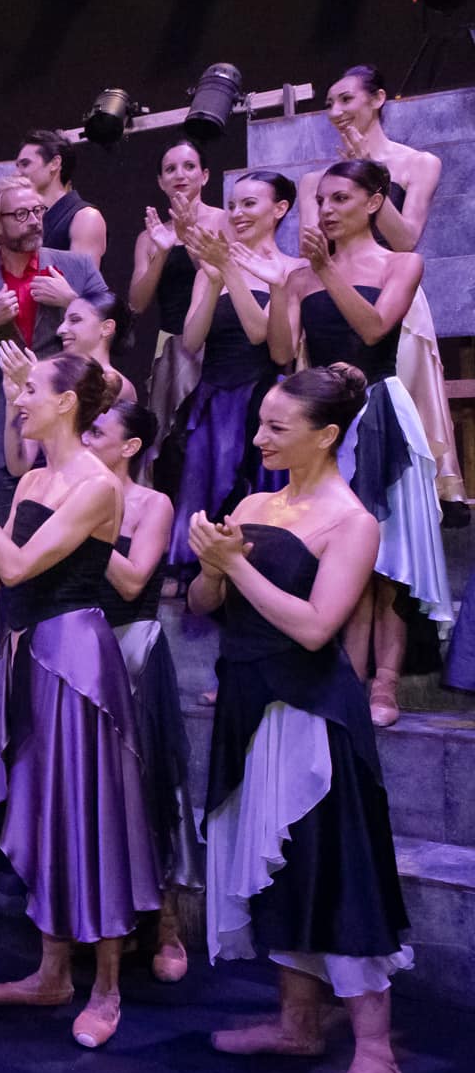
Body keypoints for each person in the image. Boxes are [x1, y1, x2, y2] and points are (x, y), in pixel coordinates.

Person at [188, 364, 411, 1073]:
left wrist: (235, 568)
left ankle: (377, 1057)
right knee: (277, 868)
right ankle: (297, 1023)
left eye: (277, 428)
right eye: (260, 423)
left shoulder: (353, 522)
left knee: (335, 872)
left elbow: (318, 627)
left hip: (311, 714)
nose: (259, 438)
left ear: (326, 434)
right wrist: (212, 572)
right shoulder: (254, 500)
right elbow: (203, 602)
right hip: (249, 704)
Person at [0, 355, 162, 1049]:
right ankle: (52, 971)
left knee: (90, 812)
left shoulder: (97, 486)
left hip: (74, 657)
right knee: (43, 805)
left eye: (30, 390)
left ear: (67, 402)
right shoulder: (33, 477)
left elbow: (17, 565)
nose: (19, 400)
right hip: (26, 649)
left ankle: (107, 987)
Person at [261, 159, 449, 727]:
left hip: (382, 414)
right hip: (323, 421)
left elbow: (373, 329)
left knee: (389, 554)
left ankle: (385, 684)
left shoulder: (402, 262)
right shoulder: (302, 274)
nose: (327, 210)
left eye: (341, 198)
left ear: (373, 202)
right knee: (338, 549)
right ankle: (346, 673)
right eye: (322, 200)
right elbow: (279, 353)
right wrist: (278, 284)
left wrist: (327, 270)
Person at [299, 64, 460, 502]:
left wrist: (372, 175)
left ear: (378, 99)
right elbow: (313, 250)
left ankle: (415, 499)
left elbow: (406, 237)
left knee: (400, 396)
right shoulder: (318, 180)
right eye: (330, 103)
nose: (336, 110)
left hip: (391, 292)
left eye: (346, 99)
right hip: (335, 296)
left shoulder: (419, 163)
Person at [85, 400, 201, 981]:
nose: (86, 436)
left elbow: (132, 581)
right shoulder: (67, 490)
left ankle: (169, 929)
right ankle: (108, 918)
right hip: (79, 651)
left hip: (131, 648)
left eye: (98, 430)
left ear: (130, 447)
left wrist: (81, 527)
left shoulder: (152, 502)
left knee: (150, 783)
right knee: (94, 791)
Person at [0, 175, 109, 526]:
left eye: (38, 211)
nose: (34, 221)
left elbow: (120, 330)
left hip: (68, 428)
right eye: (21, 214)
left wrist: (71, 301)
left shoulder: (75, 267)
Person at [162, 172, 299, 576]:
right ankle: (198, 574)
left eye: (249, 204)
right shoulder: (209, 270)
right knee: (204, 494)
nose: (237, 213)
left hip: (263, 400)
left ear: (279, 210)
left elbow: (269, 341)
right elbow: (191, 339)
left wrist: (231, 272)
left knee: (256, 493)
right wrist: (215, 275)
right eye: (234, 204)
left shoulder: (294, 270)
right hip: (214, 398)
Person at [128, 138, 224, 449]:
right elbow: (137, 303)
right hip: (172, 348)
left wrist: (190, 235)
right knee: (171, 445)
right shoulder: (150, 235)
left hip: (219, 342)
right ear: (160, 181)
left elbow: (222, 280)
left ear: (205, 175)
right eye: (170, 169)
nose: (179, 175)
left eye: (188, 167)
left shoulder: (224, 220)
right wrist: (163, 251)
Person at [0, 293, 136, 481]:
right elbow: (18, 465)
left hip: (91, 494)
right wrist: (14, 400)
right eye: (63, 321)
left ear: (106, 327)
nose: (61, 329)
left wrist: (40, 387)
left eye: (75, 320)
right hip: (52, 489)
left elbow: (94, 454)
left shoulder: (120, 386)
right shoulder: (51, 378)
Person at [16, 130, 106, 262]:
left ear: (55, 163)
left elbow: (81, 281)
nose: (18, 173)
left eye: (25, 164)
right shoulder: (27, 218)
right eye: (17, 166)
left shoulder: (85, 217)